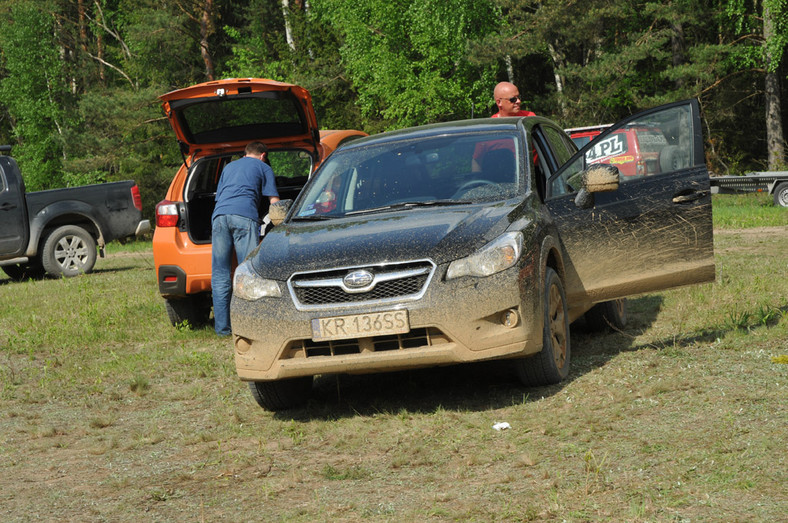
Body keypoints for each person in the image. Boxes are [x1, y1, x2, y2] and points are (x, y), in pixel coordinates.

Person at [211, 141, 280, 336]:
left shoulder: (229, 167)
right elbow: (274, 202)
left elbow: (220, 198)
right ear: (263, 155)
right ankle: (251, 326)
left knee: (220, 274)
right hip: (244, 217)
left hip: (219, 217)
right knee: (248, 273)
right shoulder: (263, 167)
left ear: (246, 153)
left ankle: (223, 329)